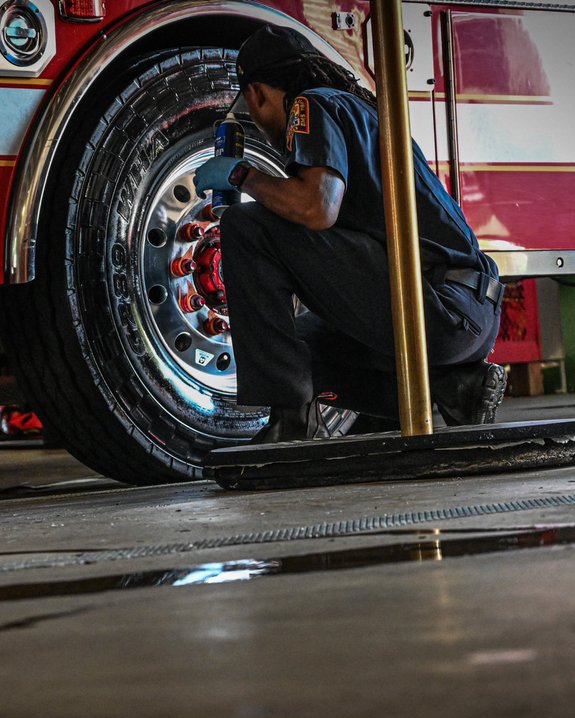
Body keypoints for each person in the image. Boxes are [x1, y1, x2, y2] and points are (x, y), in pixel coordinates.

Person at [194, 25, 507, 443]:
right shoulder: (363, 113)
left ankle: (289, 423)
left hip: (436, 307)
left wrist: (241, 175)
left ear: (256, 93)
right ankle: (450, 390)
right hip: (465, 318)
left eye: (251, 107)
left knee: (246, 226)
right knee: (287, 347)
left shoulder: (311, 106)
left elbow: (316, 208)